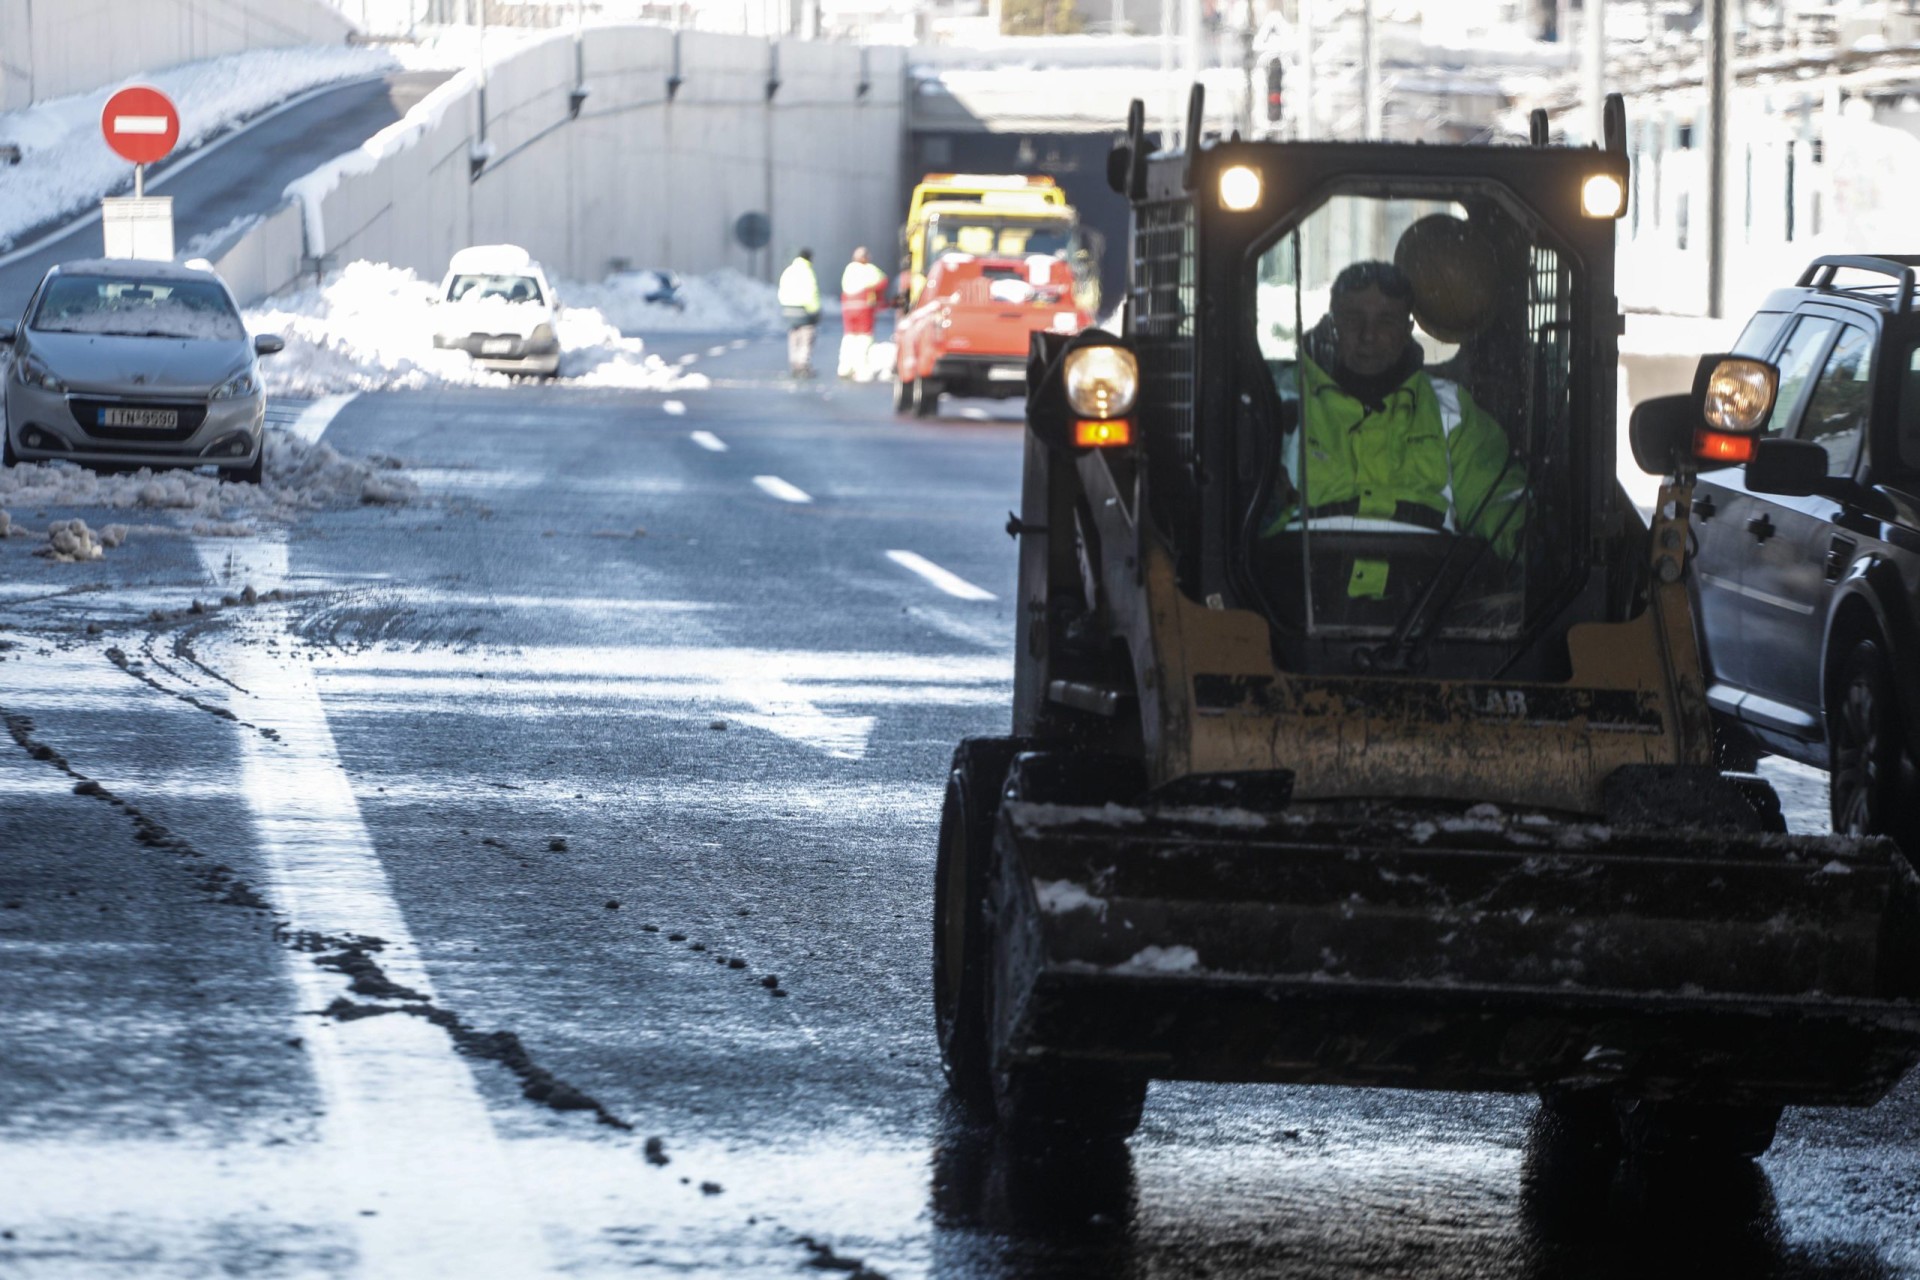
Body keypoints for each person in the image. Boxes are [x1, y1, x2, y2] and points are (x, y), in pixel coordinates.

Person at [1264, 259, 1525, 583]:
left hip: (1426, 604)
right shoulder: (1279, 402)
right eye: (1352, 318)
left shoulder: (1451, 411)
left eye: (1385, 320)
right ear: (1332, 323)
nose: (1368, 335)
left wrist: (1525, 535)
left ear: (1406, 329)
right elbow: (1239, 502)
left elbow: (1498, 498)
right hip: (1294, 598)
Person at [837, 247, 890, 381]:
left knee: (849, 336)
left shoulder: (848, 269)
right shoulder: (869, 269)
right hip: (864, 307)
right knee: (864, 337)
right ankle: (860, 368)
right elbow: (883, 281)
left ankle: (845, 367)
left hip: (848, 307)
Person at [778, 248, 822, 378]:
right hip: (804, 309)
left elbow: (781, 288)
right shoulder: (807, 272)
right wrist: (815, 310)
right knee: (807, 336)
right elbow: (812, 292)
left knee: (794, 335)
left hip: (788, 308)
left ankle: (794, 362)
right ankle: (803, 364)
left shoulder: (789, 270)